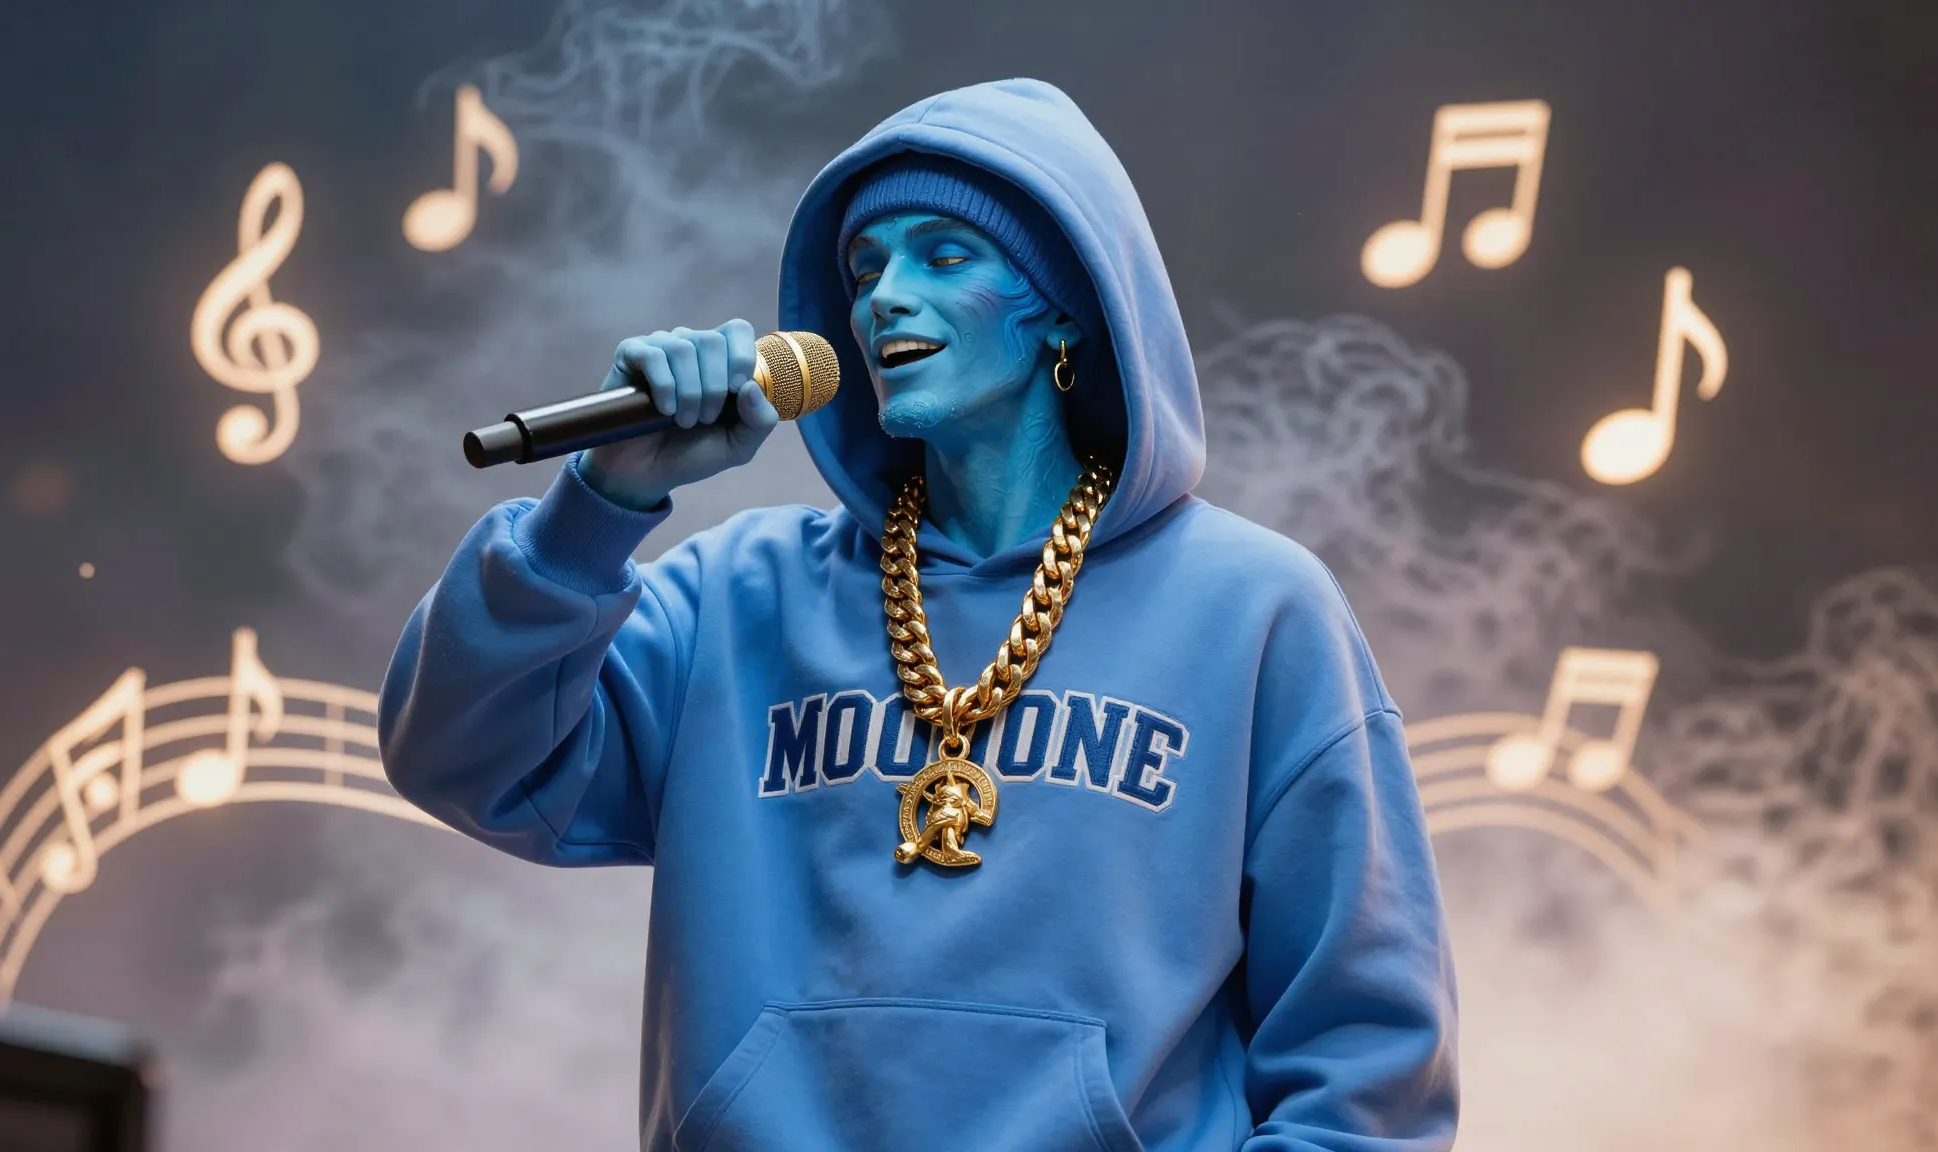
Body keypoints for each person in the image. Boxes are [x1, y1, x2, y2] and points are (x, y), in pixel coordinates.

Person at [379, 78, 1459, 1151]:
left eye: (944, 256)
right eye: (866, 268)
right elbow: (461, 756)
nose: (884, 298)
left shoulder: (1254, 610)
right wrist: (600, 502)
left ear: (1064, 309)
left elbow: (1364, 1063)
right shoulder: (734, 597)